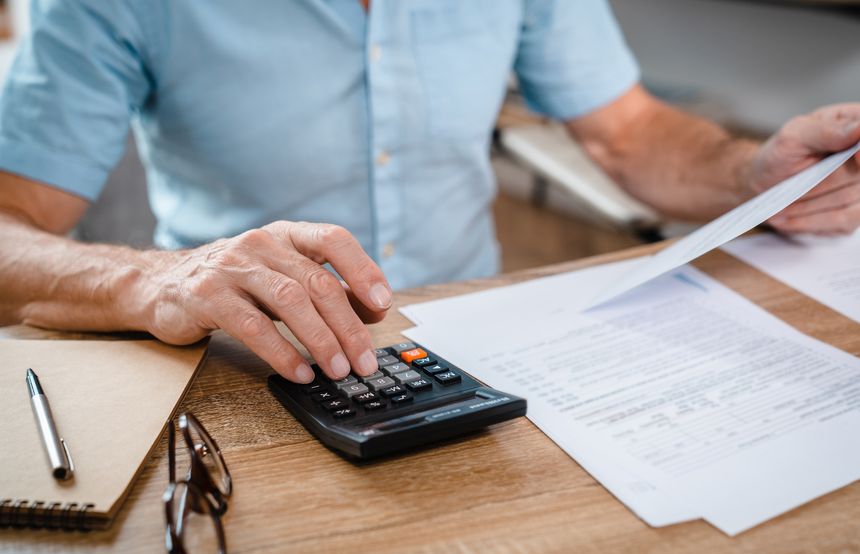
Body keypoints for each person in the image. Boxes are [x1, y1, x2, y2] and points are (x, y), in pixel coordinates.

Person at [0, 1, 857, 384]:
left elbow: (626, 132)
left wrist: (754, 174)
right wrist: (158, 279)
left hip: (486, 349)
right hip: (246, 368)